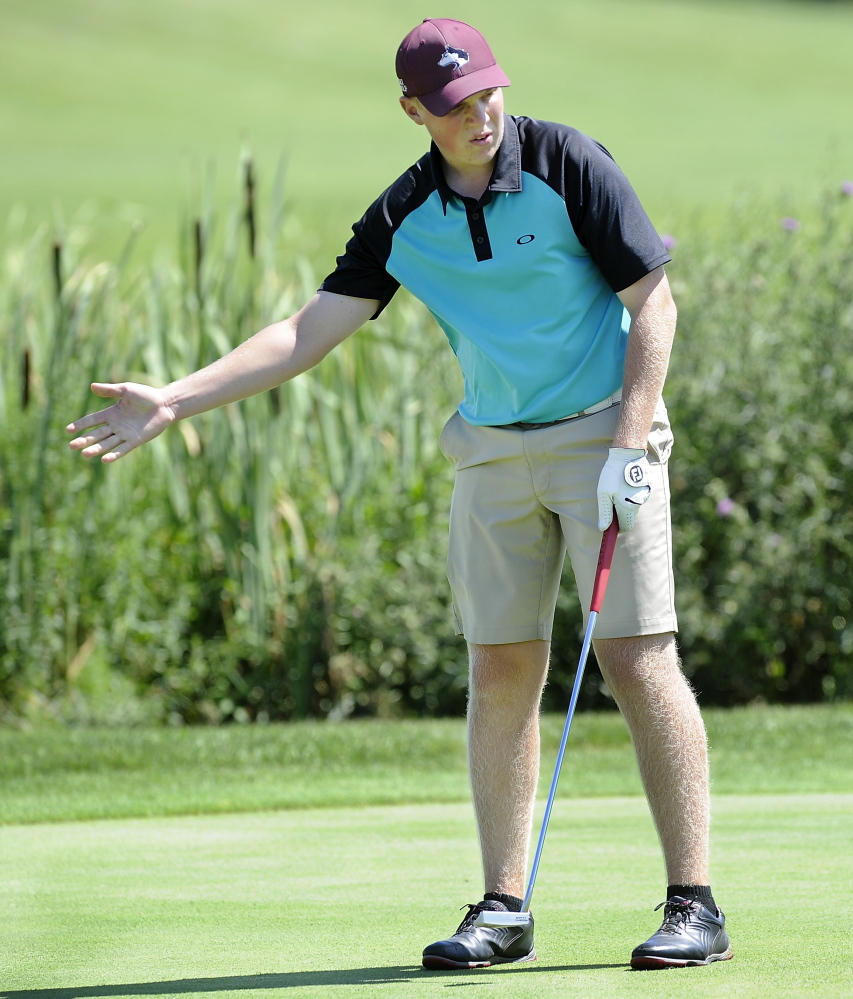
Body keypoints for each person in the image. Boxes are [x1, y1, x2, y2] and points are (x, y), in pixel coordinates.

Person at [67, 17, 731, 972]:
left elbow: (654, 303)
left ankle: (692, 904)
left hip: (603, 433)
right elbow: (308, 330)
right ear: (415, 111)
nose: (482, 113)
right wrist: (174, 399)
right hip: (492, 452)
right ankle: (503, 907)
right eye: (457, 104)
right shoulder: (402, 215)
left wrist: (630, 445)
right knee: (500, 665)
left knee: (635, 657)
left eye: (489, 91)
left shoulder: (567, 162)